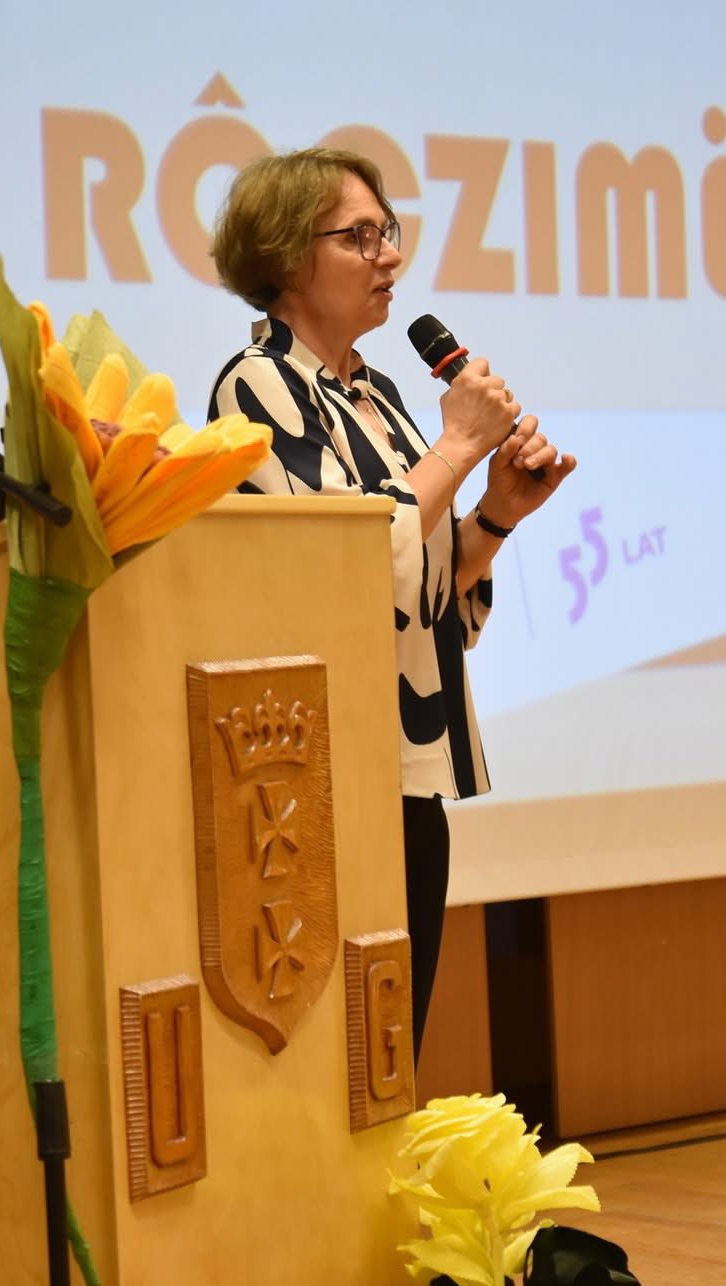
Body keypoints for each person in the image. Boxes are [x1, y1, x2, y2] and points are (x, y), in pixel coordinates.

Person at [207, 148, 575, 1056]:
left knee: (392, 1053)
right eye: (360, 236)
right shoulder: (258, 385)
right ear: (288, 258)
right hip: (325, 780)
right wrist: (459, 446)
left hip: (407, 771)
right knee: (344, 1054)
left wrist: (496, 514)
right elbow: (338, 568)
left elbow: (421, 595)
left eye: (389, 232)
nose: (390, 256)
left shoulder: (380, 397)